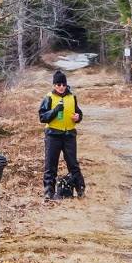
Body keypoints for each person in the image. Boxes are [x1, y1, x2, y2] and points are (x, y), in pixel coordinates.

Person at [38, 70, 85, 201]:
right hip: (53, 135)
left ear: (66, 85)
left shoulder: (72, 97)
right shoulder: (49, 97)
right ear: (54, 85)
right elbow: (42, 117)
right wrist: (55, 111)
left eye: (63, 84)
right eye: (58, 84)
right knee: (50, 164)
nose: (61, 87)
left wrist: (78, 117)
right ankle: (48, 192)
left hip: (69, 134)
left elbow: (79, 113)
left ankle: (80, 189)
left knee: (73, 164)